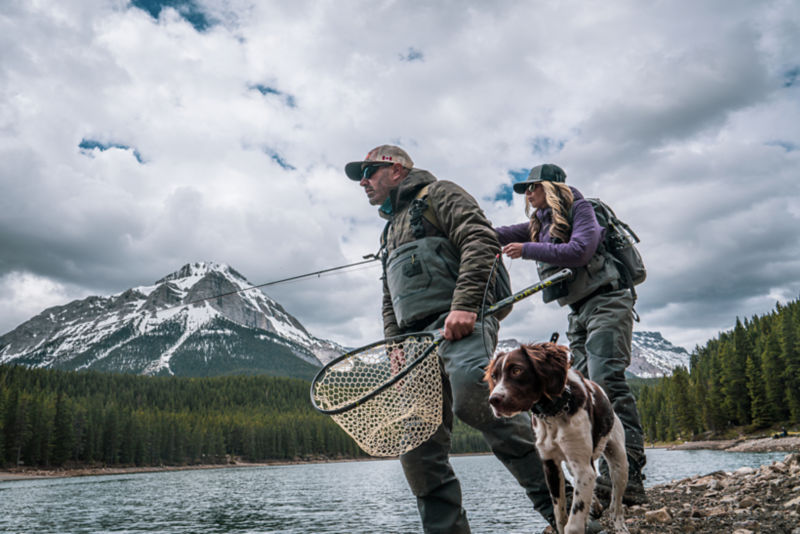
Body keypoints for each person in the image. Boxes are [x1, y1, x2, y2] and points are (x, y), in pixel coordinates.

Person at [346, 145, 563, 533]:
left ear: (396, 170)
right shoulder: (389, 228)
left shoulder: (440, 193)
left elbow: (479, 240)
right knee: (417, 446)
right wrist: (394, 344)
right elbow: (389, 294)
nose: (363, 181)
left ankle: (568, 515)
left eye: (369, 171)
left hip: (463, 325)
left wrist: (463, 305)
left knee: (480, 400)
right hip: (415, 345)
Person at [495, 163, 648, 507]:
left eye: (532, 186)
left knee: (607, 379)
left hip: (608, 300)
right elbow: (500, 233)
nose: (527, 194)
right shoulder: (541, 222)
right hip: (578, 311)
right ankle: (591, 475)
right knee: (586, 384)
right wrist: (466, 236)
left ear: (550, 186)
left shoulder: (583, 209)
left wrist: (527, 248)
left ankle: (630, 475)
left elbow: (581, 250)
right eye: (525, 189)